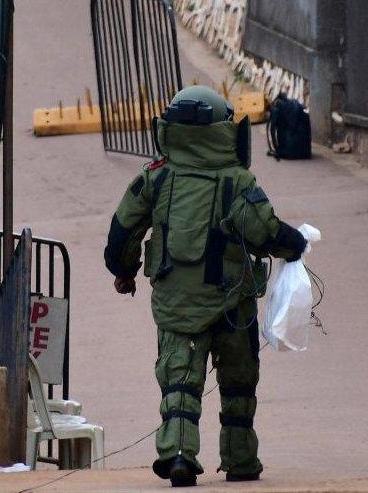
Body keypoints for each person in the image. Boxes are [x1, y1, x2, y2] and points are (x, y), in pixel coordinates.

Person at [104, 86, 307, 487]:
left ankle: (178, 455)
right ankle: (241, 460)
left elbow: (122, 234)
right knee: (238, 381)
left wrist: (124, 271)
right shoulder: (238, 181)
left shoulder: (155, 177)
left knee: (180, 380)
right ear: (221, 129)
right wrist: (296, 244)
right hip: (233, 304)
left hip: (177, 304)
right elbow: (266, 232)